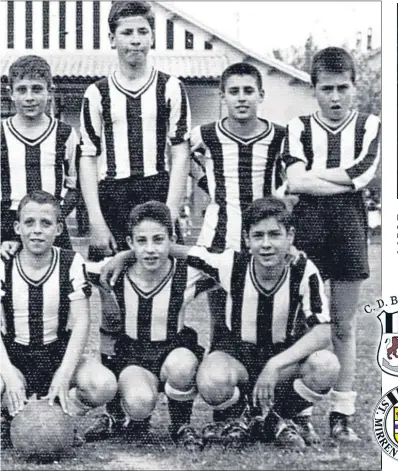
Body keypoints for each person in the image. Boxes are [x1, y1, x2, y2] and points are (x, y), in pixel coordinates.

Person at [99, 197, 340, 451]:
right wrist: (126, 255)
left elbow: (323, 332)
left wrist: (275, 364)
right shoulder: (231, 264)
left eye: (274, 235)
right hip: (237, 356)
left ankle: (277, 417)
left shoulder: (304, 270)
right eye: (258, 236)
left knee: (326, 364)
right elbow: (179, 250)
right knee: (210, 379)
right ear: (246, 239)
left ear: (290, 236)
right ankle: (243, 415)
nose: (266, 244)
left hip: (281, 357)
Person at [78, 0, 191, 432]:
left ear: (151, 37)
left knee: (163, 289)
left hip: (156, 190)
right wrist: (96, 218)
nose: (135, 41)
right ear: (113, 39)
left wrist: (172, 208)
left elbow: (179, 152)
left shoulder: (170, 87)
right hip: (112, 193)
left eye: (142, 32)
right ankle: (115, 410)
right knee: (110, 297)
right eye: (127, 33)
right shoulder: (95, 93)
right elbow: (88, 158)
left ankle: (171, 404)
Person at [282, 47, 381, 441]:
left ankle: (342, 414)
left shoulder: (370, 125)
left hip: (350, 226)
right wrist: (315, 181)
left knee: (343, 324)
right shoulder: (299, 127)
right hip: (307, 227)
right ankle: (300, 410)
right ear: (315, 90)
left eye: (342, 88)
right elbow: (293, 181)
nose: (335, 97)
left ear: (354, 87)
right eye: (327, 89)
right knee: (303, 323)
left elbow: (363, 174)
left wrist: (310, 178)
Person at [189, 63, 286, 422]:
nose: (242, 98)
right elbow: (184, 160)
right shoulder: (204, 135)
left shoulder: (280, 136)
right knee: (222, 322)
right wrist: (206, 188)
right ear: (223, 97)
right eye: (234, 91)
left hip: (263, 240)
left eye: (249, 90)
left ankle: (272, 405)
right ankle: (226, 408)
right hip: (219, 239)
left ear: (261, 95)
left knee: (269, 321)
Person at [84, 201, 209, 450]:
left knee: (183, 366)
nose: (150, 249)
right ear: (130, 242)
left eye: (158, 240)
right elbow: (63, 267)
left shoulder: (190, 273)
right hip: (134, 355)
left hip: (175, 349)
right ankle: (134, 420)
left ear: (171, 239)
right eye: (141, 241)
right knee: (139, 401)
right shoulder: (112, 272)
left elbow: (235, 264)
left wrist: (290, 253)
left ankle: (181, 425)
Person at [0, 191, 117, 445]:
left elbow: (82, 322)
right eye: (29, 222)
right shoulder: (3, 263)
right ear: (17, 227)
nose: (37, 230)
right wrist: (9, 375)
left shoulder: (71, 261)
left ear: (59, 228)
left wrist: (64, 374)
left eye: (46, 223)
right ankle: (8, 416)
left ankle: (60, 417)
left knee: (103, 383)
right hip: (14, 355)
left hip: (55, 354)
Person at [1, 55, 79, 250]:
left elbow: (74, 185)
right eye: (21, 90)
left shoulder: (65, 133)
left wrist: (56, 214)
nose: (29, 97)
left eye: (37, 89)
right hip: (7, 224)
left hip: (50, 222)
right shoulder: (1, 133)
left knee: (61, 274)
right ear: (10, 93)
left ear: (50, 91)